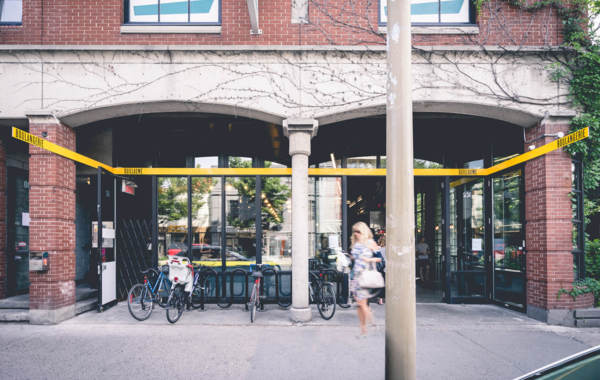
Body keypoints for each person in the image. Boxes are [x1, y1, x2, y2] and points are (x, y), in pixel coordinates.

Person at [350, 221, 382, 336]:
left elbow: (379, 258)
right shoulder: (355, 243)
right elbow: (355, 259)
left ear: (363, 231)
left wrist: (368, 260)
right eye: (354, 231)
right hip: (355, 277)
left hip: (364, 276)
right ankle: (363, 329)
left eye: (358, 231)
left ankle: (374, 323)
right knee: (359, 304)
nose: (355, 234)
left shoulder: (370, 242)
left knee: (362, 303)